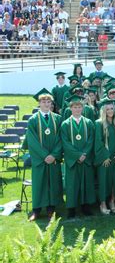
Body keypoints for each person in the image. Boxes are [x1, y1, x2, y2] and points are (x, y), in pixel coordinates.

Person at [26, 89, 63, 221]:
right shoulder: (33, 120)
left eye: (49, 101)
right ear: (39, 104)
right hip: (40, 159)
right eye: (43, 101)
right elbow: (32, 141)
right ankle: (36, 210)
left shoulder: (58, 119)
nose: (46, 104)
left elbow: (60, 139)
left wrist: (53, 155)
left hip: (53, 158)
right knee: (39, 183)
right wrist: (44, 156)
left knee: (53, 183)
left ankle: (51, 209)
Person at [60, 95, 96, 218]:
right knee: (72, 184)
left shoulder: (88, 123)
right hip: (73, 160)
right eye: (75, 107)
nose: (77, 109)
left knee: (86, 183)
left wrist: (84, 154)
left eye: (79, 107)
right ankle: (71, 208)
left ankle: (85, 206)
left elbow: (91, 140)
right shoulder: (65, 124)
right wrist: (77, 155)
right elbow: (65, 143)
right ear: (71, 108)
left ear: (82, 108)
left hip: (85, 159)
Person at [94, 99, 115, 215]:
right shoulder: (99, 123)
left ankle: (112, 201)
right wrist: (104, 156)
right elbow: (98, 141)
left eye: (112, 108)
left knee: (114, 181)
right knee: (103, 180)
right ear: (103, 111)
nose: (110, 111)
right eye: (107, 109)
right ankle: (103, 203)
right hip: (104, 158)